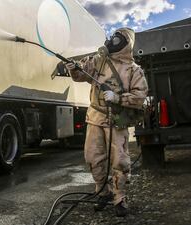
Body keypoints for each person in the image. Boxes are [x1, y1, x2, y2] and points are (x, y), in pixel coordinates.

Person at [65, 28, 148, 217]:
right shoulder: (99, 60)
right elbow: (82, 75)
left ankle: (119, 198)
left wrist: (118, 98)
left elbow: (140, 96)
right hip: (95, 117)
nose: (112, 41)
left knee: (120, 160)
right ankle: (103, 193)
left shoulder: (134, 70)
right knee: (93, 158)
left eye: (117, 39)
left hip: (116, 121)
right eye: (112, 37)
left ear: (126, 43)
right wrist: (74, 69)